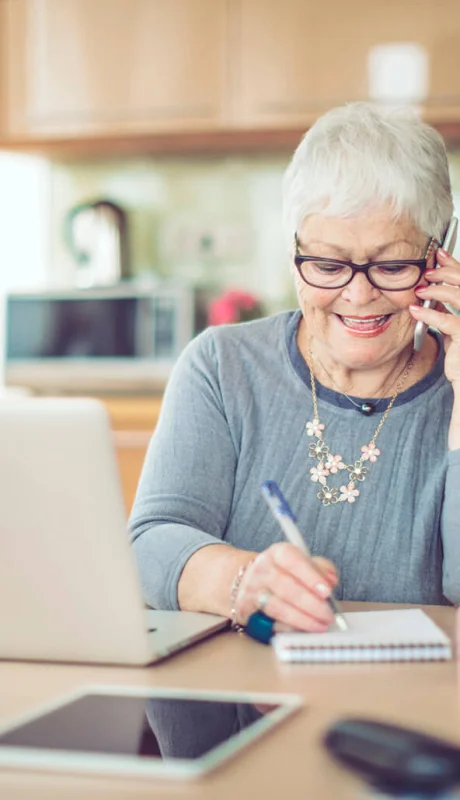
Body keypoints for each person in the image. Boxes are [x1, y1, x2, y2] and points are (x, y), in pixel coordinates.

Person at [129, 102, 460, 634]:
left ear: (443, 250)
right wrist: (241, 580)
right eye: (328, 265)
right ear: (294, 256)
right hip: (240, 701)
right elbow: (149, 542)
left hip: (414, 708)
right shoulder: (222, 366)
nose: (358, 295)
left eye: (393, 265)